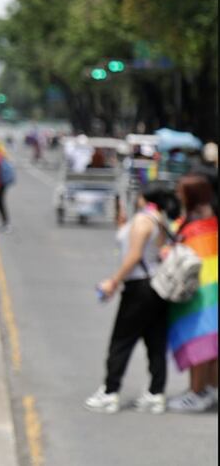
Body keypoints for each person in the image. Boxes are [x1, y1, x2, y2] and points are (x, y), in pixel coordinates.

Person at [84, 185, 178, 413]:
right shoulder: (158, 219)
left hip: (139, 287)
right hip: (157, 285)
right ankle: (156, 393)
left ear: (143, 197)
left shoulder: (142, 221)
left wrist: (113, 282)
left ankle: (110, 391)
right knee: (155, 342)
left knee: (121, 341)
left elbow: (134, 255)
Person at [165, 173, 219, 412]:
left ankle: (197, 392)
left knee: (198, 339)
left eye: (181, 190)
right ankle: (208, 389)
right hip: (210, 286)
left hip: (201, 289)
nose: (177, 194)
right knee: (210, 342)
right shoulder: (209, 216)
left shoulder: (195, 221)